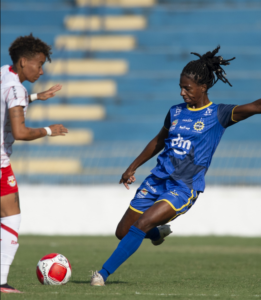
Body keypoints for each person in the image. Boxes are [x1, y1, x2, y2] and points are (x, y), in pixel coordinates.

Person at [90, 46, 261, 286]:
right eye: (180, 87)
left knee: (141, 224)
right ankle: (157, 234)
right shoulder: (175, 112)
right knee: (123, 232)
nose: (182, 93)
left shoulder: (219, 114)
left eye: (187, 88)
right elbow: (159, 140)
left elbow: (256, 106)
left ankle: (102, 274)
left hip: (184, 186)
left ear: (204, 87)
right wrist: (132, 167)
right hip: (157, 179)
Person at [0, 34, 68, 293]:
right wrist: (49, 130)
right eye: (38, 64)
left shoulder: (4, 73)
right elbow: (20, 132)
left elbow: (9, 101)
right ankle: (2, 282)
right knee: (11, 217)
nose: (41, 70)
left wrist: (38, 96)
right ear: (22, 61)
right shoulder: (16, 88)